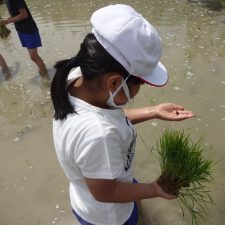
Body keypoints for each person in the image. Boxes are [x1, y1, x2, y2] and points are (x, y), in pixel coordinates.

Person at [50, 4, 194, 225]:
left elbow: (108, 118)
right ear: (115, 82)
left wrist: (153, 111)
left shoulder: (77, 79)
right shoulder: (98, 136)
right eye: (140, 84)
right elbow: (106, 192)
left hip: (84, 196)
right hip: (109, 217)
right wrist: (155, 189)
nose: (139, 91)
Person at [0, 0, 49, 80]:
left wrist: (7, 21)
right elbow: (15, 14)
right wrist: (6, 20)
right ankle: (43, 73)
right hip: (21, 30)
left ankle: (45, 76)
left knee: (33, 56)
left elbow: (24, 15)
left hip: (29, 29)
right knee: (33, 56)